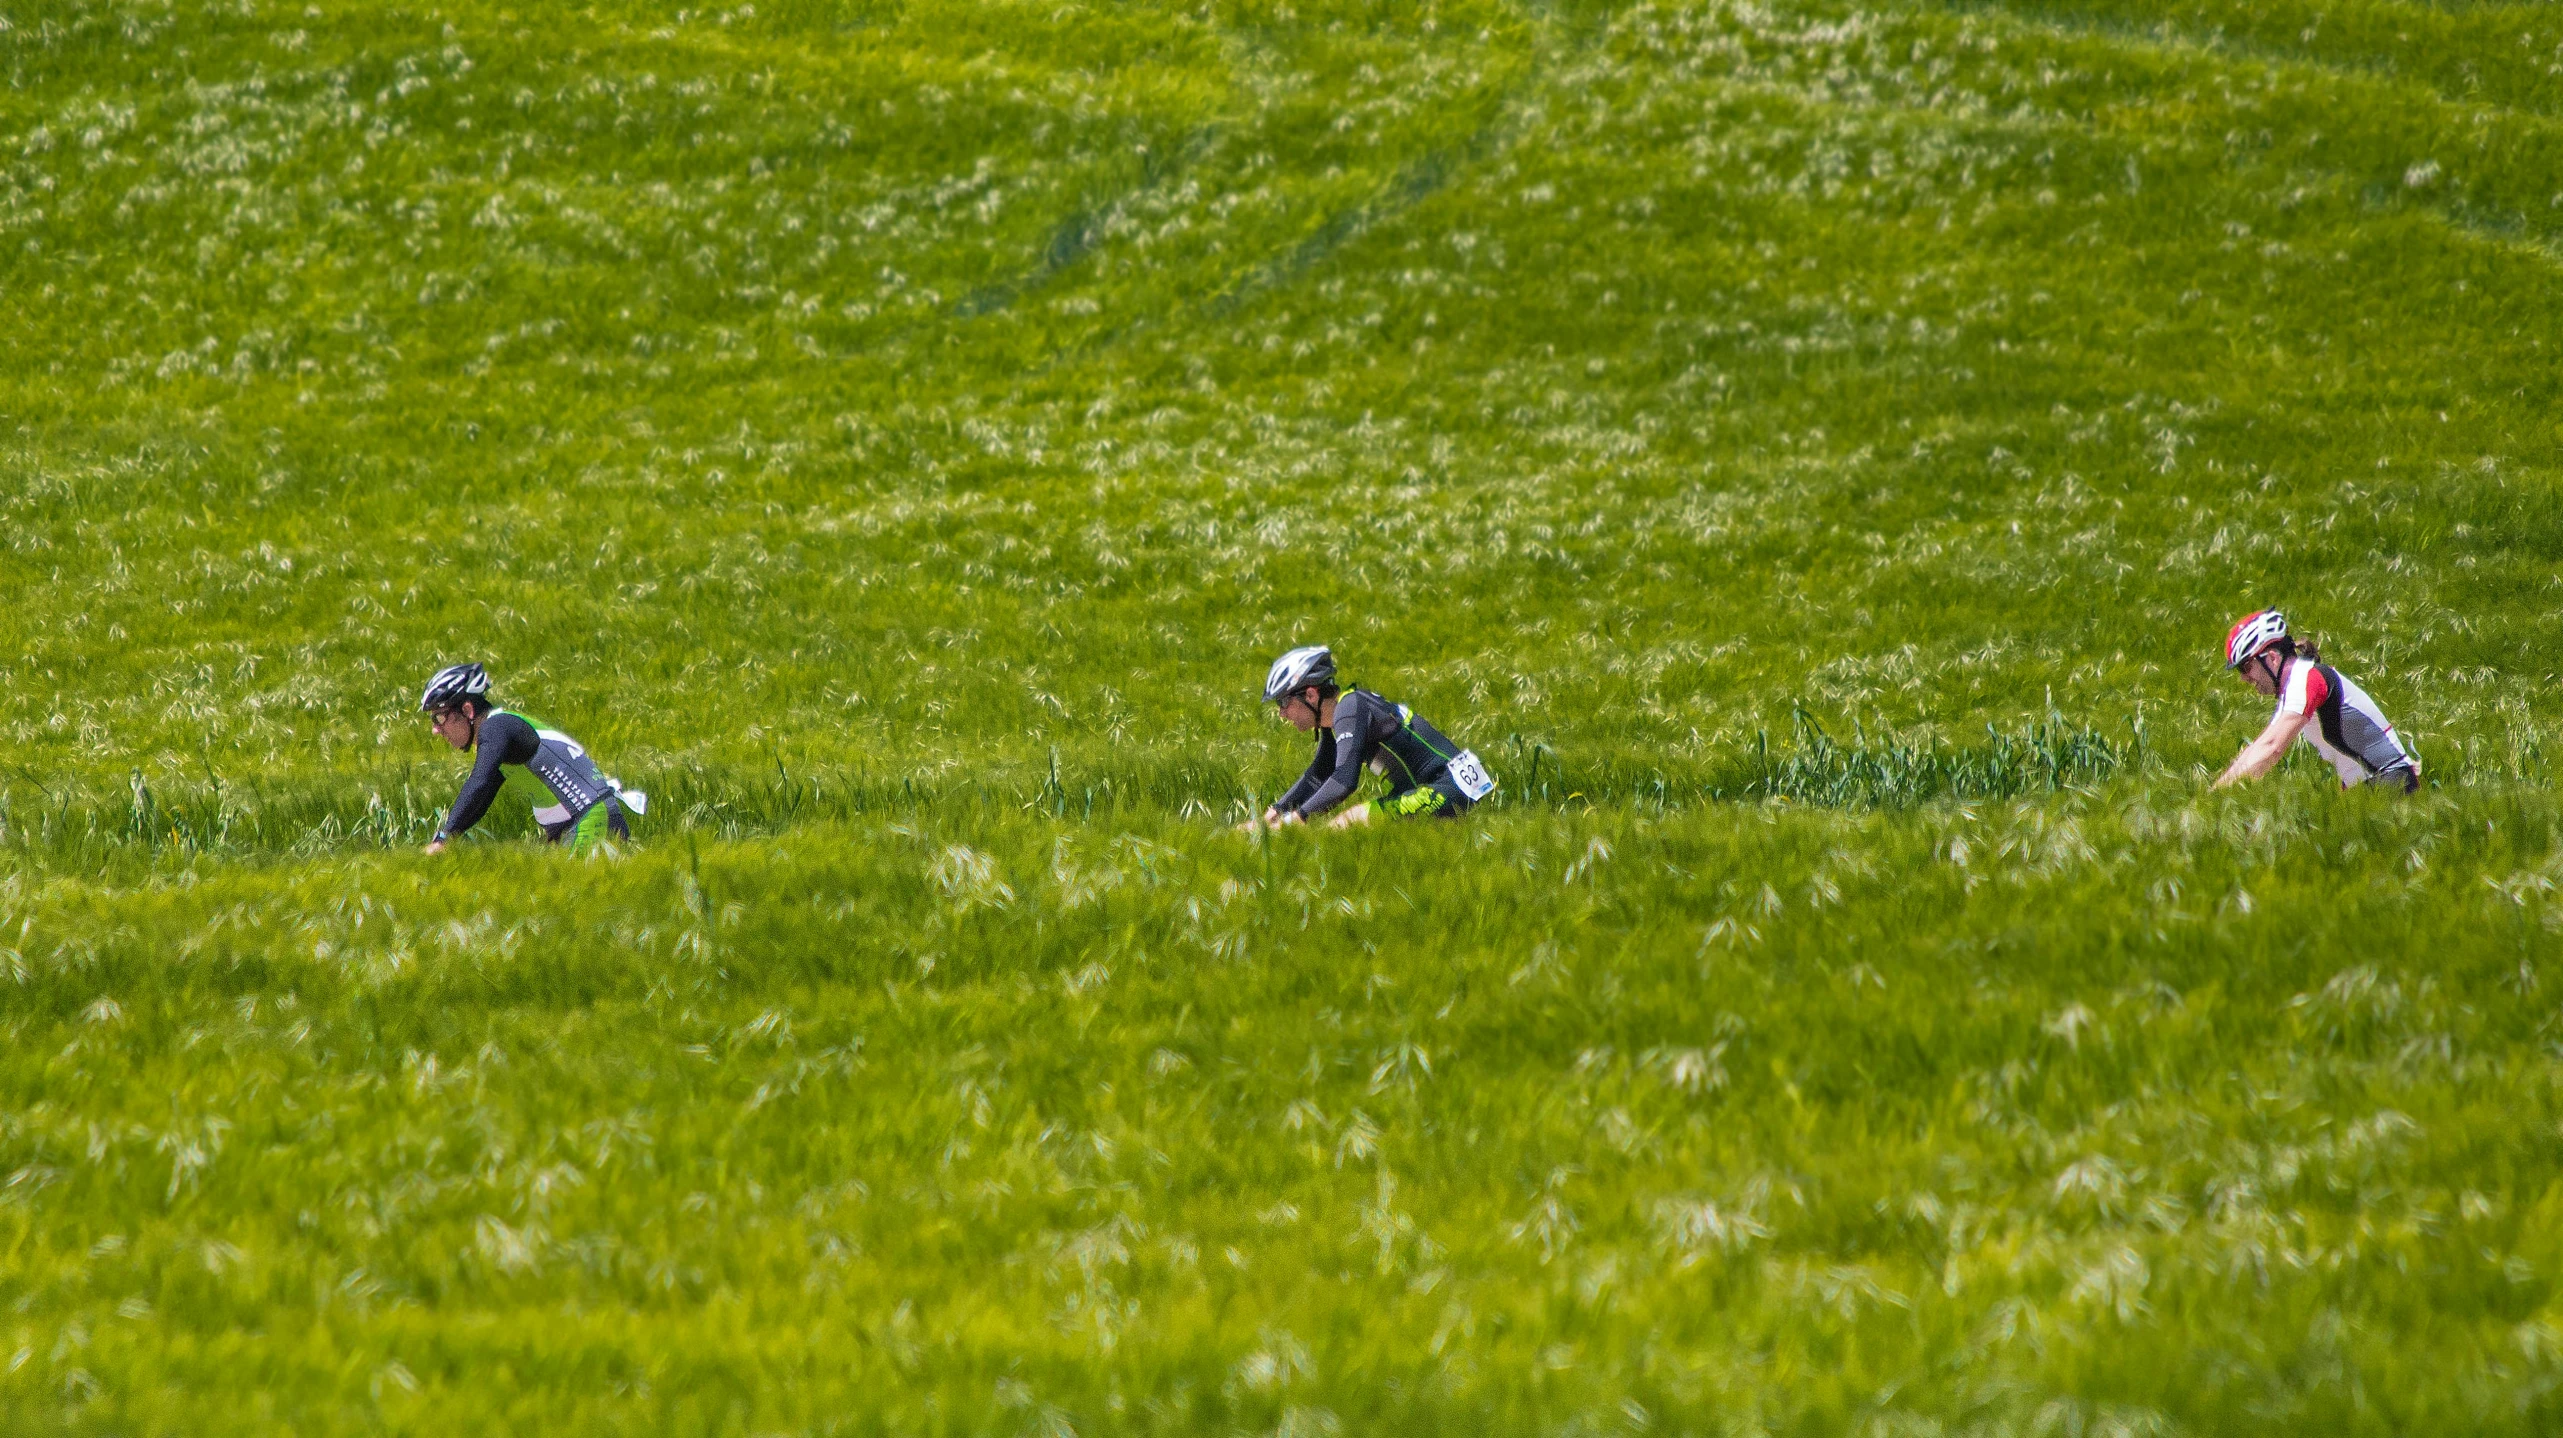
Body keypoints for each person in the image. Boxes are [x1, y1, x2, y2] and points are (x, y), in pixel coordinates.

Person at [1250, 645, 1496, 829]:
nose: (1281, 714)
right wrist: (1270, 817)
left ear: (1311, 695)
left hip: (1447, 789)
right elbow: (1319, 774)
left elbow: (1344, 781)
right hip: (1450, 786)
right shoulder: (1341, 711)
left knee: (1347, 823)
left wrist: (1294, 821)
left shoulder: (1350, 708)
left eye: (1284, 702)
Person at [418, 663, 647, 853]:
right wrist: (449, 836)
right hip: (577, 823)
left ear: (467, 710)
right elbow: (483, 796)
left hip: (591, 818)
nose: (436, 730)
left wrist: (443, 838)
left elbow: (480, 780)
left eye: (439, 717)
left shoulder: (497, 727)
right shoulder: (501, 735)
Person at [2213, 610, 2419, 793]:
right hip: (2369, 787)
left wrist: (2217, 799)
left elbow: (2272, 747)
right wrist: (2216, 791)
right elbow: (2259, 746)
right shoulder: (2296, 684)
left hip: (2391, 785)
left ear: (2272, 657)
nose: (2244, 678)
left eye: (2246, 667)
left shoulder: (2308, 678)